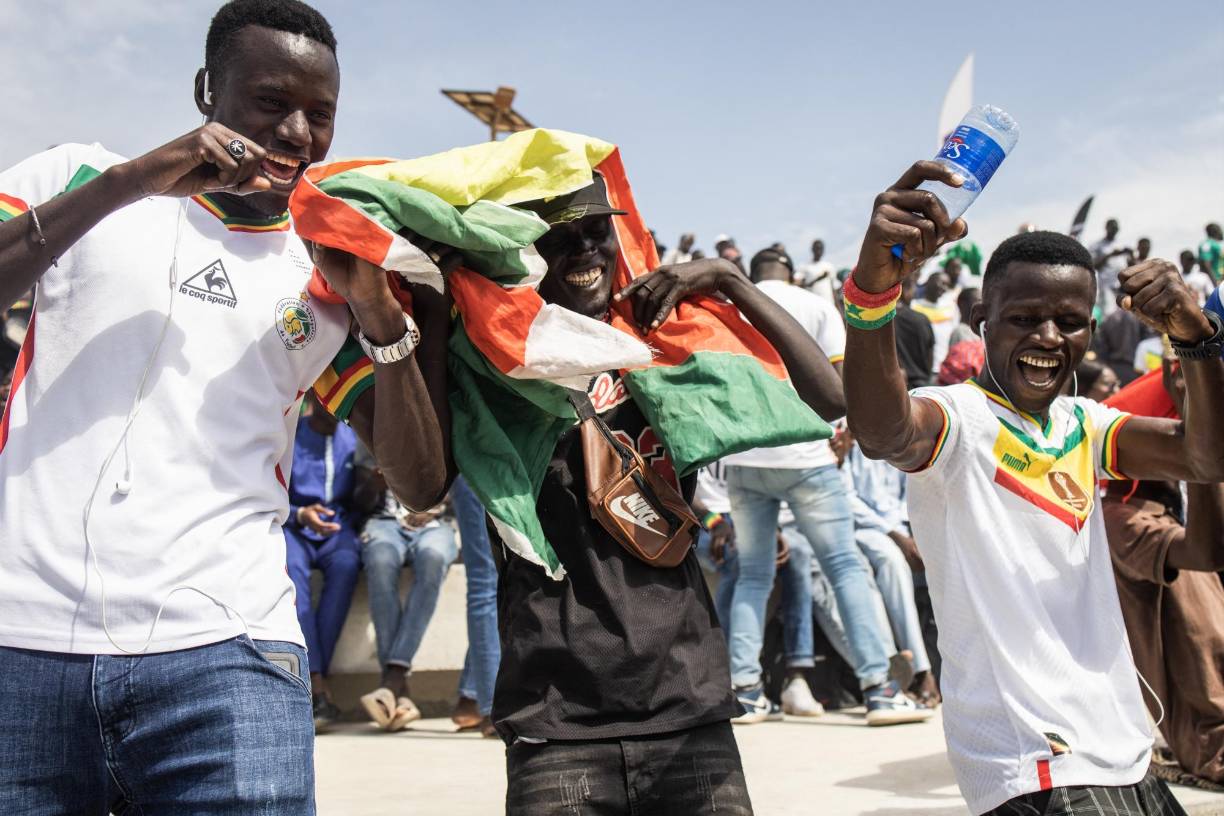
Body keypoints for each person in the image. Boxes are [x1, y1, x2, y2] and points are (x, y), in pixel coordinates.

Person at [0, 1, 452, 811]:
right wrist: (132, 183)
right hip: (20, 646)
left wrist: (380, 315)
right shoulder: (78, 177)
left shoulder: (325, 273)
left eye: (320, 115)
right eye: (271, 102)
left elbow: (419, 483)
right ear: (207, 89)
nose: (297, 134)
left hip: (230, 655)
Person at [844, 157, 1224, 815]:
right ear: (982, 317)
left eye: (1070, 321)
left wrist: (1195, 341)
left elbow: (1205, 457)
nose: (1048, 337)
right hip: (1035, 764)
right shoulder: (958, 419)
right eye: (1023, 318)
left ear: (1090, 327)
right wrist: (873, 293)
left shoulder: (1084, 424)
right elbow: (885, 434)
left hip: (1123, 748)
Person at [492, 178, 847, 816]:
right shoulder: (495, 357)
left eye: (596, 232)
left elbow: (830, 397)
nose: (585, 251)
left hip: (687, 701)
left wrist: (730, 281)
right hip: (556, 718)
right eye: (561, 238)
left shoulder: (662, 337)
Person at [722, 247, 931, 727]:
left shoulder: (731, 306)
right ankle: (879, 690)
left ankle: (746, 693)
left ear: (752, 274)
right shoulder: (815, 305)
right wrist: (848, 431)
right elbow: (844, 381)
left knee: (753, 577)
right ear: (792, 274)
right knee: (844, 568)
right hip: (808, 455)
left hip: (745, 458)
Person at [1104, 359, 1224, 785]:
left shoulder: (1174, 497)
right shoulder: (1121, 517)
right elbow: (1206, 551)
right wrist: (1201, 433)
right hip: (1212, 740)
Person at [356, 450, 459, 732]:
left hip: (436, 524)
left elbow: (461, 488)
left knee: (434, 558)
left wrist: (430, 504)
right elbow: (358, 499)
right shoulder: (367, 435)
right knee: (380, 560)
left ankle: (392, 680)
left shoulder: (445, 431)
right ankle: (399, 693)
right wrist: (372, 485)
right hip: (385, 521)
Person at [284, 390, 363, 729]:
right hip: (296, 525)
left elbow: (359, 497)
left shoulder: (352, 438)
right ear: (316, 402)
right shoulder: (291, 437)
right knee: (292, 573)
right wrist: (300, 514)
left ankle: (315, 678)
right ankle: (317, 682)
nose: (334, 416)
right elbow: (270, 492)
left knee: (347, 564)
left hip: (337, 527)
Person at [844, 437, 941, 707]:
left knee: (911, 562)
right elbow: (847, 497)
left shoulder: (899, 434)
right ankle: (917, 670)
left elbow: (908, 494)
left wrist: (910, 534)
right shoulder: (846, 437)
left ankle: (919, 668)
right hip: (861, 529)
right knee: (889, 564)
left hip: (899, 528)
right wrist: (896, 535)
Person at [450, 475, 501, 738]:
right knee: (486, 583)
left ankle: (471, 696)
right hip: (478, 467)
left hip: (513, 466)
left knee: (501, 582)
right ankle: (492, 707)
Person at [911, 265, 957, 374]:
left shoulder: (951, 308)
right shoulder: (913, 306)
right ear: (929, 282)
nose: (944, 288)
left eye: (947, 285)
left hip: (945, 370)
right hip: (920, 369)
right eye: (942, 283)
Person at [894, 271, 936, 389]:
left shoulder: (881, 321)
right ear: (905, 290)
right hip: (921, 386)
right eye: (914, 288)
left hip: (894, 387)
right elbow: (930, 354)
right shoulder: (921, 320)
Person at [1094, 305, 1153, 387]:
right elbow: (1148, 342)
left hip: (1114, 368)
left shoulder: (1109, 318)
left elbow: (1101, 348)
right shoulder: (1140, 319)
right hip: (1135, 369)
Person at [1091, 218, 1132, 317]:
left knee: (1124, 315)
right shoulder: (1097, 245)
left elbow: (1129, 264)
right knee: (1109, 314)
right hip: (1106, 286)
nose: (1114, 230)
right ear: (1106, 228)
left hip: (1121, 287)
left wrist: (1130, 254)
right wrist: (1110, 255)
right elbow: (1093, 265)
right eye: (1112, 227)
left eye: (1116, 228)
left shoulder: (1121, 244)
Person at [796, 238, 837, 304]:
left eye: (821, 248)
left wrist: (838, 307)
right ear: (812, 249)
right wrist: (809, 284)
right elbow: (798, 284)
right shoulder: (804, 266)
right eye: (817, 248)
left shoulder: (829, 266)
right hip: (811, 303)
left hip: (828, 303)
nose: (818, 251)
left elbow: (833, 289)